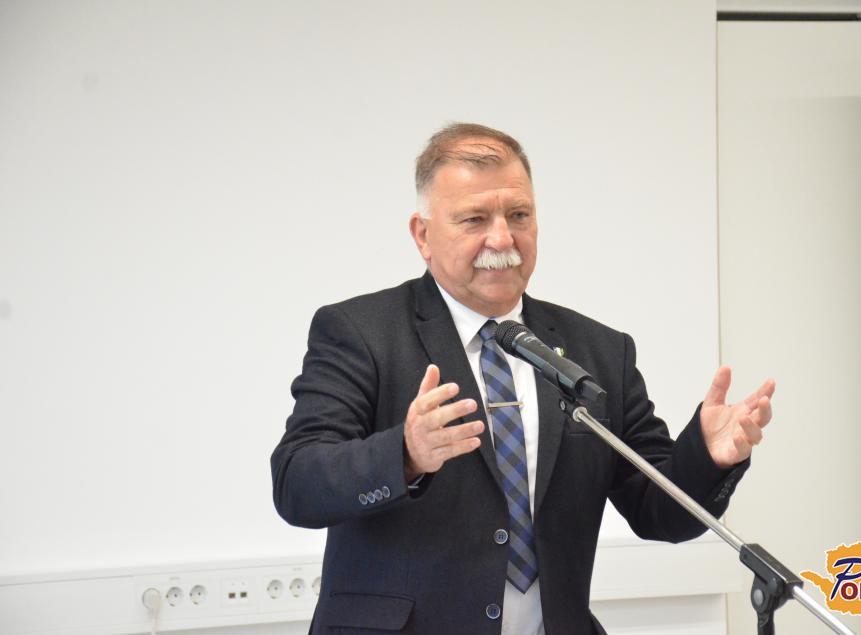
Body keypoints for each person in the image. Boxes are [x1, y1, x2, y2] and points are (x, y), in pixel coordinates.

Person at [271, 123, 775, 635]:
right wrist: (404, 454)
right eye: (474, 219)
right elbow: (296, 483)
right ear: (423, 235)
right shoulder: (360, 332)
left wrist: (708, 457)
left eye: (519, 215)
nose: (502, 239)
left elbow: (659, 512)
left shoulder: (599, 351)